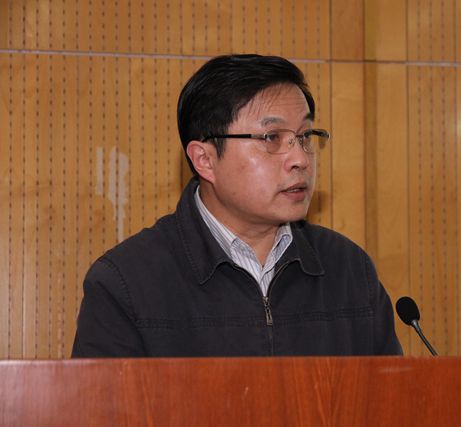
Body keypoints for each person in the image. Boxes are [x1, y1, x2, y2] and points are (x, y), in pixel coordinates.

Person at [72, 54, 402, 357]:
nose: (301, 159)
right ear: (205, 159)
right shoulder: (126, 283)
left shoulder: (348, 270)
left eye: (304, 137)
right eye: (271, 138)